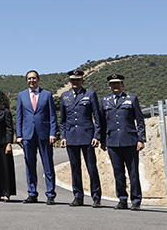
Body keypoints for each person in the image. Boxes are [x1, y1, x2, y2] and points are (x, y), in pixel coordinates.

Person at [100, 74, 146, 211]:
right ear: (109, 86)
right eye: (113, 84)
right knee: (118, 173)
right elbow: (102, 123)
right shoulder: (104, 101)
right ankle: (122, 199)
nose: (115, 86)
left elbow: (140, 120)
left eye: (118, 83)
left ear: (122, 84)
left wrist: (141, 139)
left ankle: (136, 200)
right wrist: (103, 140)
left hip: (130, 142)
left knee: (133, 173)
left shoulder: (131, 99)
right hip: (113, 142)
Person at [59, 69, 102, 207]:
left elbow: (97, 116)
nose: (75, 82)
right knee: (74, 168)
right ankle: (78, 196)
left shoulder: (90, 94)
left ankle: (96, 197)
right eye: (72, 80)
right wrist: (63, 136)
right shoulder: (65, 96)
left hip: (87, 136)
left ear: (82, 81)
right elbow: (63, 120)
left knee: (91, 168)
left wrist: (97, 135)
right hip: (71, 136)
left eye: (77, 80)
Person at [16, 70, 58, 205]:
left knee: (48, 165)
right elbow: (19, 117)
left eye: (34, 78)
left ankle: (50, 194)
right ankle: (32, 193)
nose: (31, 81)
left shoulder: (47, 94)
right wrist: (19, 135)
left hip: (44, 135)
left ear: (38, 79)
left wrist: (53, 133)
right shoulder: (21, 95)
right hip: (28, 135)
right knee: (30, 165)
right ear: (27, 80)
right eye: (29, 79)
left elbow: (52, 116)